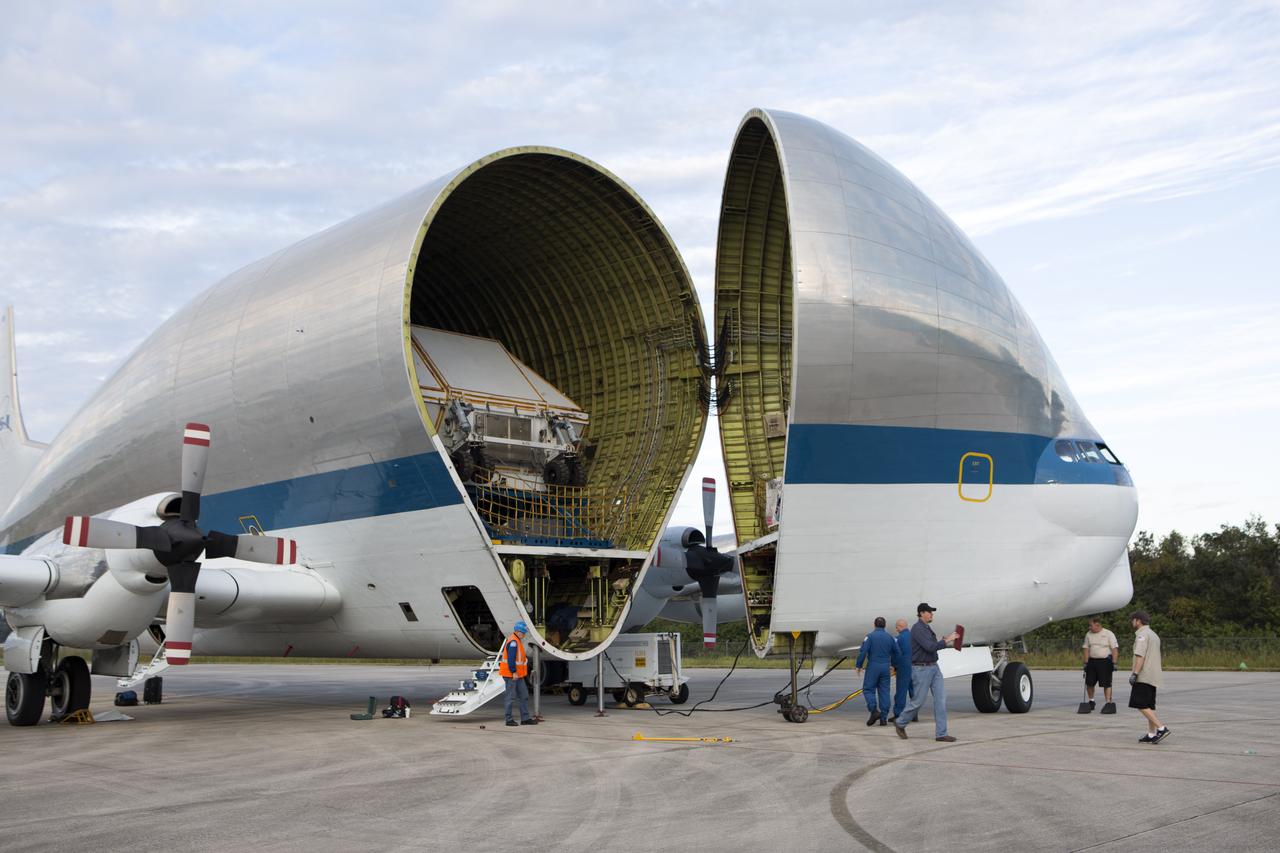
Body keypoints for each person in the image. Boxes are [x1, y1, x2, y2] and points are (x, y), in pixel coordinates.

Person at [894, 603, 959, 742]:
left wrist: (944, 640)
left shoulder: (926, 628)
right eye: (929, 612)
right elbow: (930, 647)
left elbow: (932, 646)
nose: (932, 614)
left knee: (941, 700)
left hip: (934, 667)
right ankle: (900, 723)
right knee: (918, 701)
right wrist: (946, 640)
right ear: (922, 613)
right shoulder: (918, 629)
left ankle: (941, 733)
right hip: (921, 669)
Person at [1128, 611, 1169, 743]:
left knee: (1140, 703)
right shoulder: (1153, 634)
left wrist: (1135, 673)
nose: (1131, 622)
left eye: (1132, 620)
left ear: (1138, 621)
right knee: (1149, 706)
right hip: (1153, 675)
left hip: (1144, 675)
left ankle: (1161, 728)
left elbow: (1140, 655)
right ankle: (1151, 734)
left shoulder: (1142, 635)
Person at [855, 617, 896, 726]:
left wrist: (859, 665)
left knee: (868, 689)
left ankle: (874, 711)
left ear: (874, 625)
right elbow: (897, 652)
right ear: (885, 625)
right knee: (884, 691)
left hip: (873, 666)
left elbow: (863, 652)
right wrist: (893, 665)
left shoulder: (870, 637)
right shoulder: (890, 637)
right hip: (886, 667)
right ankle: (883, 718)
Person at [499, 621, 537, 727]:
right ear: (517, 631)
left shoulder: (517, 640)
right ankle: (508, 719)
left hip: (518, 675)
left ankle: (525, 718)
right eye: (523, 632)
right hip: (512, 675)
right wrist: (513, 672)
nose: (524, 634)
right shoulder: (513, 642)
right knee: (510, 697)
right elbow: (511, 659)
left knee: (524, 695)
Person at [1081, 616, 1119, 713]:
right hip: (1092, 661)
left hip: (1105, 662)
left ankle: (1108, 703)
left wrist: (1114, 663)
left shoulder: (1108, 634)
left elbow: (1114, 649)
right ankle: (1091, 701)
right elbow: (1086, 648)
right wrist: (1085, 662)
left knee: (1106, 683)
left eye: (1091, 625)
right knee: (1089, 683)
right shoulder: (1088, 634)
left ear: (1097, 625)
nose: (1089, 627)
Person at [890, 618, 913, 721]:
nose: (896, 629)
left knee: (901, 692)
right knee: (914, 691)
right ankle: (914, 714)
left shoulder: (898, 639)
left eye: (897, 627)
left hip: (903, 667)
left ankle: (898, 714)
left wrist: (894, 665)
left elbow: (896, 654)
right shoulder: (914, 637)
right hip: (915, 666)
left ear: (900, 627)